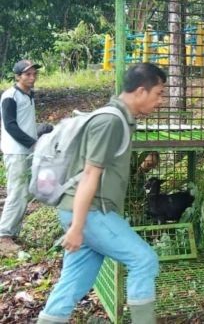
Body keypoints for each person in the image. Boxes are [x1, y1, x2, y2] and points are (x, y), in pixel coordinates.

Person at [37, 63, 166, 324]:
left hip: (84, 213)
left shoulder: (119, 119)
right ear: (141, 91)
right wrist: (77, 227)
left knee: (74, 283)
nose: (160, 101)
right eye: (159, 93)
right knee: (144, 260)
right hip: (91, 213)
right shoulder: (110, 121)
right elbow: (89, 175)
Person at [0, 60, 52, 254]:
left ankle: (12, 231)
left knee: (27, 190)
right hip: (16, 151)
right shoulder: (10, 96)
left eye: (33, 74)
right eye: (27, 74)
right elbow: (10, 125)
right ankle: (4, 236)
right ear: (17, 76)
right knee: (17, 191)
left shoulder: (29, 95)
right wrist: (33, 143)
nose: (32, 77)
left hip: (27, 151)